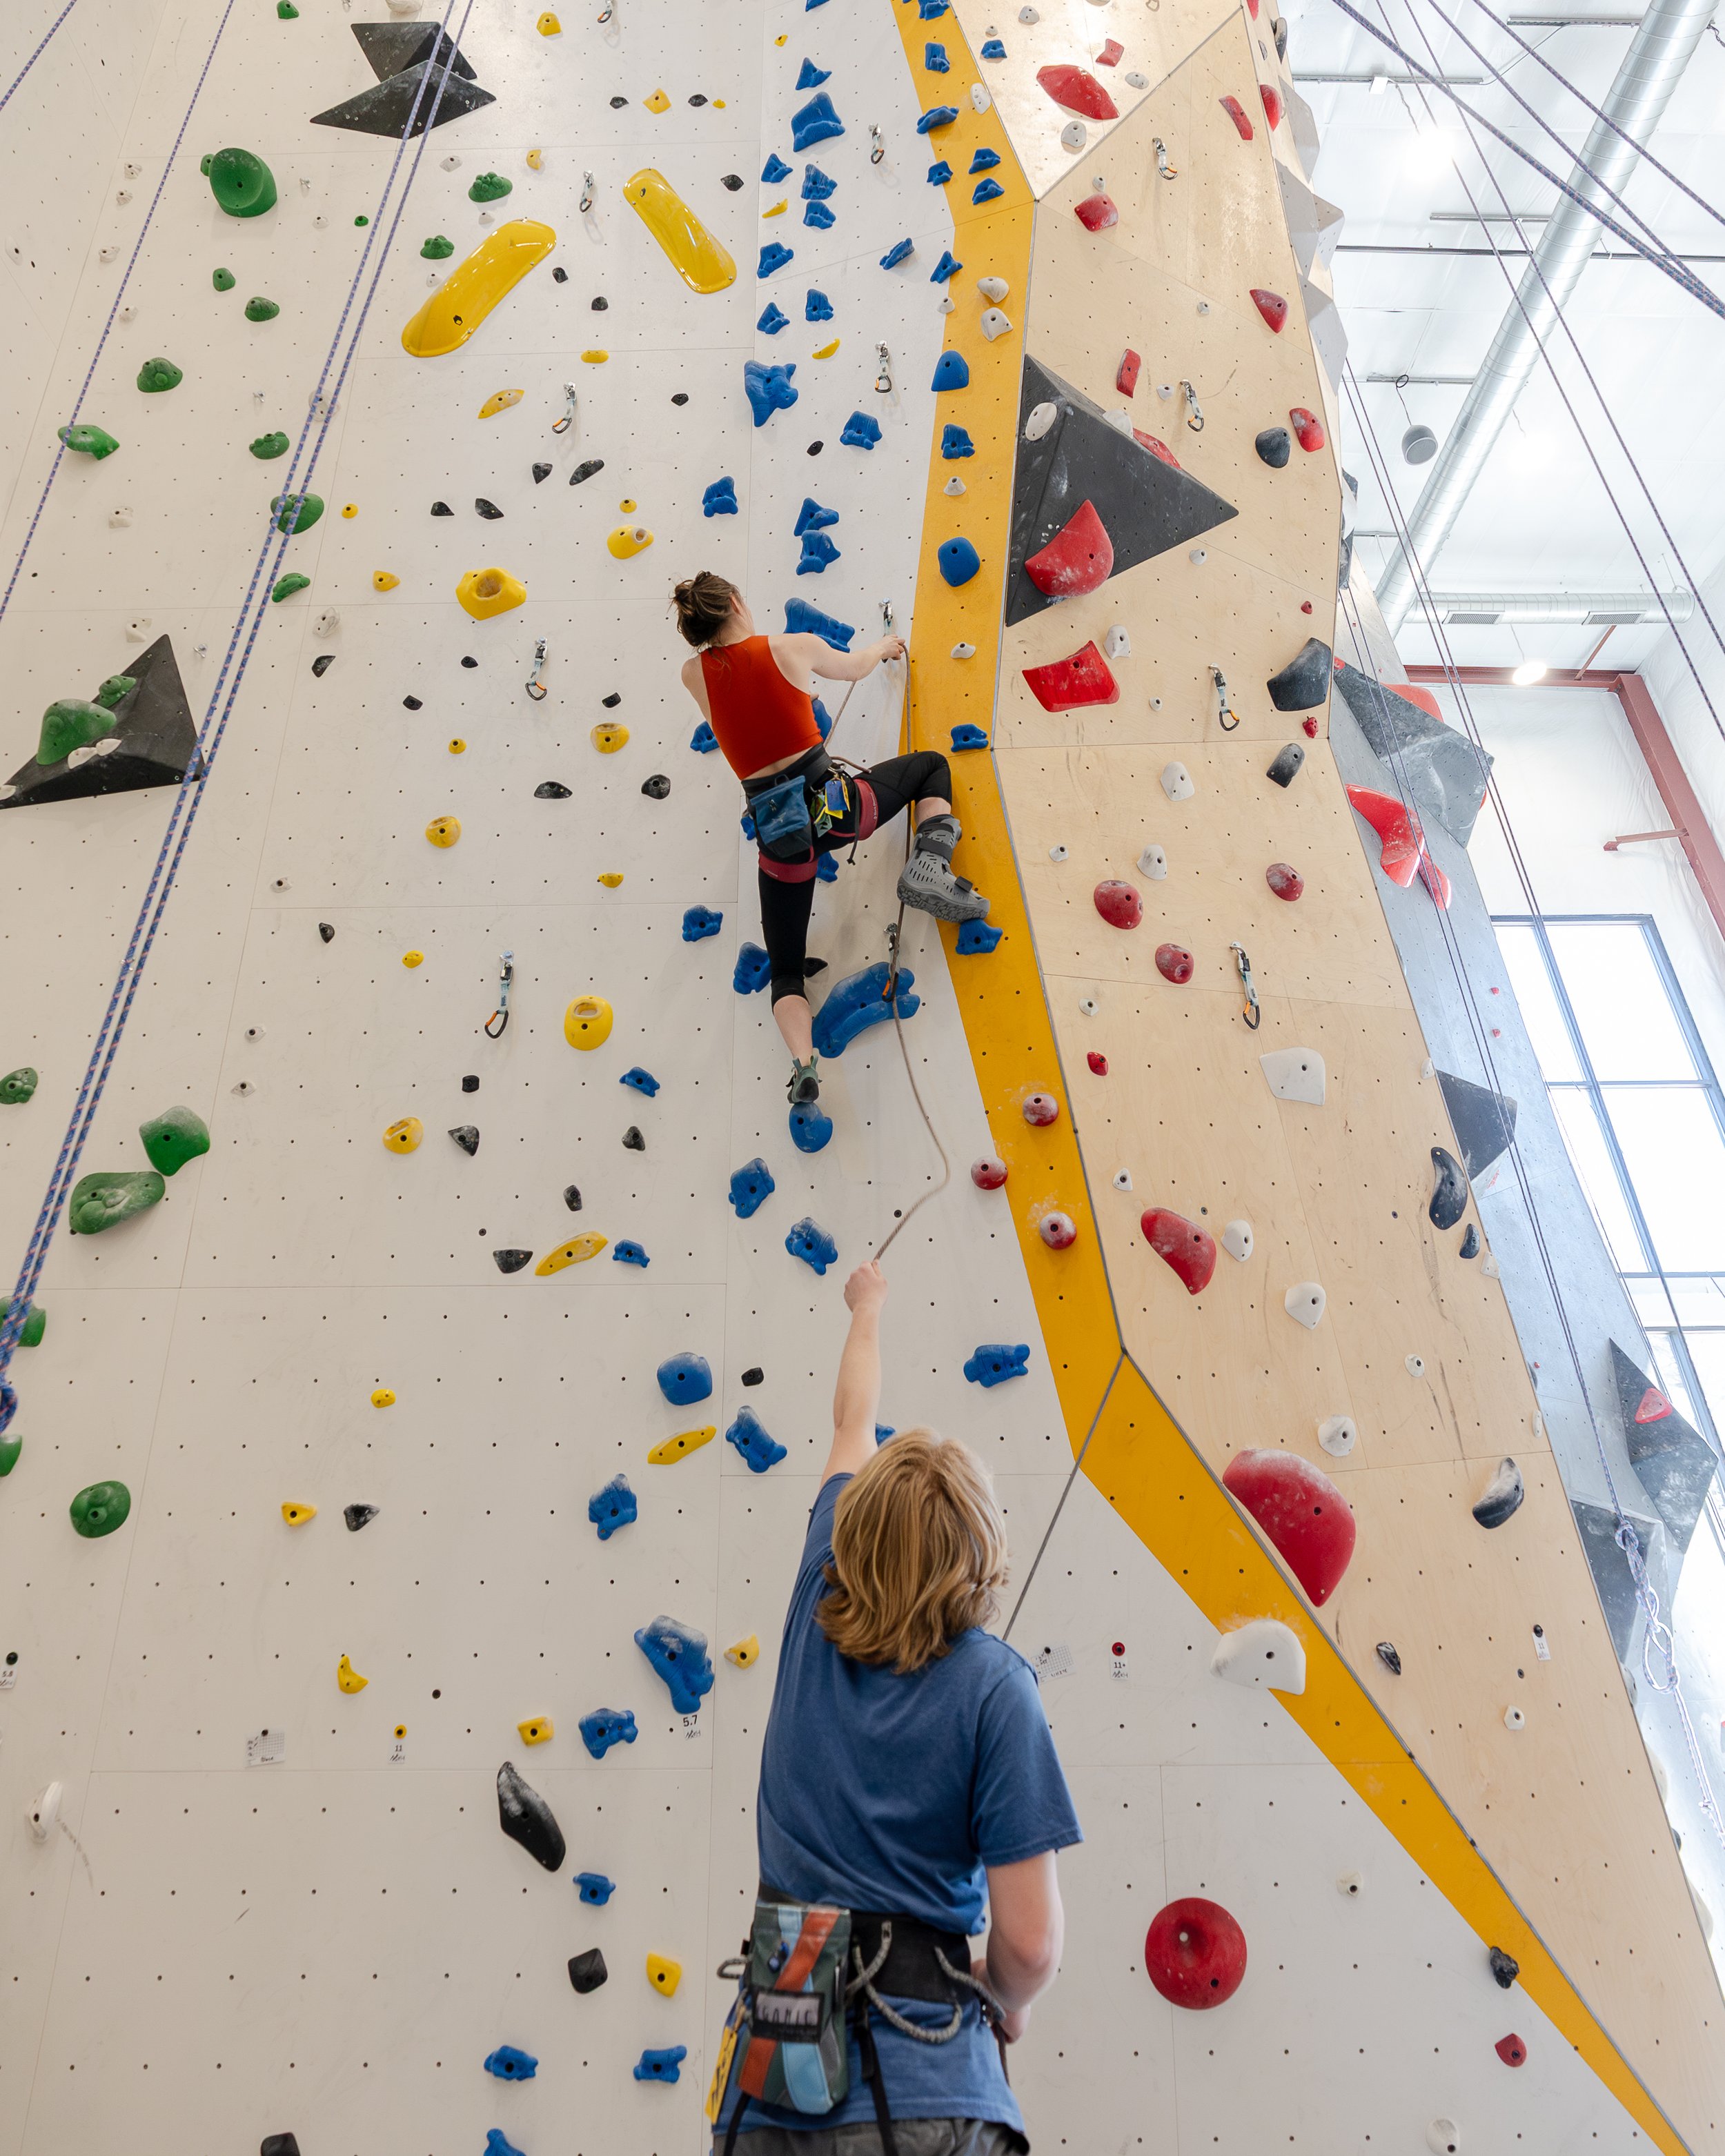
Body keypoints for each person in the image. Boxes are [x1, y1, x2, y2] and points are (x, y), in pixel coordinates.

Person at [709, 1260, 1080, 2156]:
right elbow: (1029, 1944)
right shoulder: (996, 1688)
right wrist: (1005, 1996)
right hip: (929, 2085)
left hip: (779, 2078)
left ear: (849, 1531)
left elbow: (852, 1420)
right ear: (980, 1559)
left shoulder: (814, 1595)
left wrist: (867, 1310)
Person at [674, 572, 990, 1109]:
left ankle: (803, 1067)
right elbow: (856, 667)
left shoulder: (691, 674)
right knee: (931, 766)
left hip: (782, 845)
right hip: (838, 812)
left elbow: (734, 715)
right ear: (736, 601)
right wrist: (886, 646)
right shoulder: (793, 647)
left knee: (785, 973)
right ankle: (929, 865)